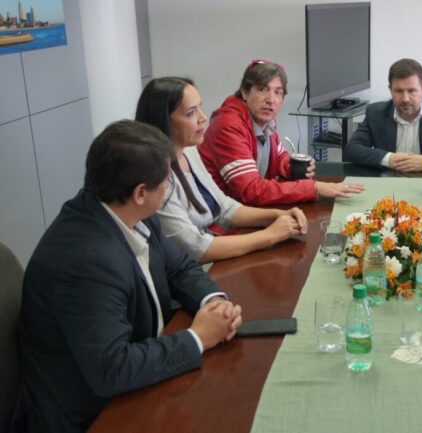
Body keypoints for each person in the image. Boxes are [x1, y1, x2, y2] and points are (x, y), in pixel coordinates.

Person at [13, 121, 243, 433]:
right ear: (139, 193)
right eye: (166, 183)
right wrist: (199, 337)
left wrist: (213, 302)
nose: (169, 189)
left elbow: (179, 267)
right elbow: (112, 369)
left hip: (138, 374)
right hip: (92, 414)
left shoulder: (124, 211)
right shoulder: (86, 262)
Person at [136, 77, 308, 263]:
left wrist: (277, 215)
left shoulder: (189, 151)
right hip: (189, 270)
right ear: (164, 120)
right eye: (191, 113)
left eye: (199, 107)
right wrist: (270, 235)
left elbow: (223, 207)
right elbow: (197, 248)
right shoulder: (156, 177)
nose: (203, 117)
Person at [198, 59, 364, 206]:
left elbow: (279, 159)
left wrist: (292, 167)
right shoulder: (228, 126)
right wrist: (314, 188)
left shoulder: (265, 123)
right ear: (245, 92)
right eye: (263, 89)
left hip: (244, 211)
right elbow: (251, 190)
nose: (271, 100)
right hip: (220, 223)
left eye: (278, 92)